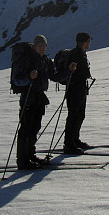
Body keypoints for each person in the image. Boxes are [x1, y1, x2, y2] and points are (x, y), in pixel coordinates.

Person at [13, 34, 76, 169]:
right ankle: (23, 161)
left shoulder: (46, 60)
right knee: (26, 129)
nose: (42, 48)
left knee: (35, 128)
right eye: (40, 46)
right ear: (34, 46)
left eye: (44, 46)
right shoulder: (27, 60)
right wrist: (29, 77)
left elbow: (54, 75)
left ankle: (30, 155)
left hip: (39, 98)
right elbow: (17, 80)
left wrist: (68, 71)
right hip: (28, 97)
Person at [63, 32, 93, 154]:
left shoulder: (80, 53)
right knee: (74, 116)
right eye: (88, 40)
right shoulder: (75, 54)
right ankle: (69, 144)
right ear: (84, 42)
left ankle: (74, 140)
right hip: (75, 89)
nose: (89, 43)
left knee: (80, 115)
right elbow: (71, 71)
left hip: (79, 89)